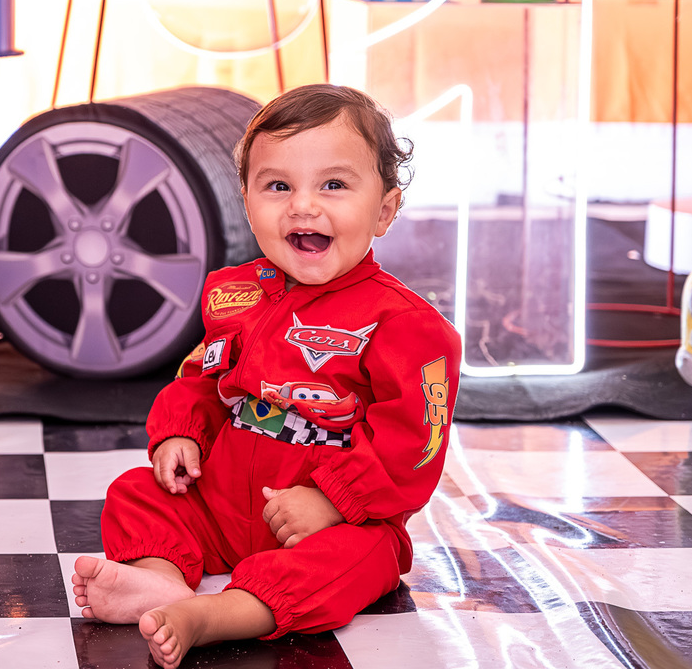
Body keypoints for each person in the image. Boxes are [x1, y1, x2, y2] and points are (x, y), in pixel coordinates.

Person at [70, 84, 462, 668]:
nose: (303, 206)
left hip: (329, 524)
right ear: (248, 203)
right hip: (223, 504)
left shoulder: (406, 326)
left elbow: (413, 446)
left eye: (333, 184)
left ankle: (215, 615)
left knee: (361, 559)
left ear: (384, 210)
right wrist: (180, 432)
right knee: (139, 490)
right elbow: (203, 376)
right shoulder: (236, 295)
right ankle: (158, 581)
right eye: (278, 186)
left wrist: (332, 501)